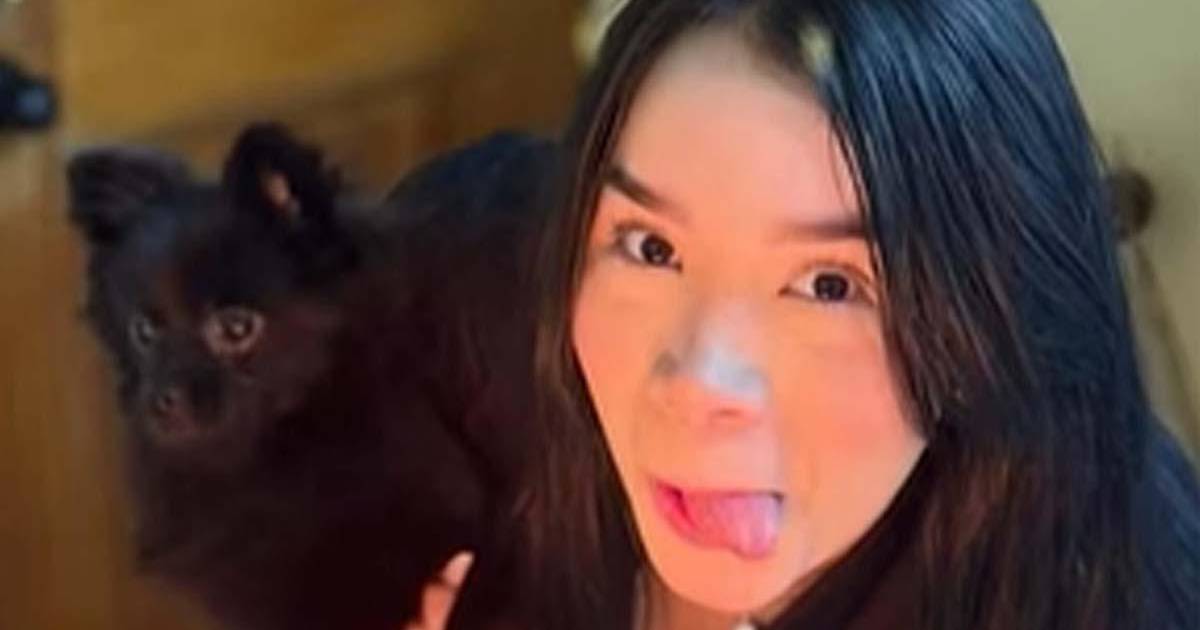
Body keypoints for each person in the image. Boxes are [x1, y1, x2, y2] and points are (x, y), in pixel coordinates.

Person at [496, 1, 1200, 629]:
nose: (701, 382)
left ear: (990, 323)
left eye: (830, 286)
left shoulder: (1127, 592)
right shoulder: (490, 297)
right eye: (650, 248)